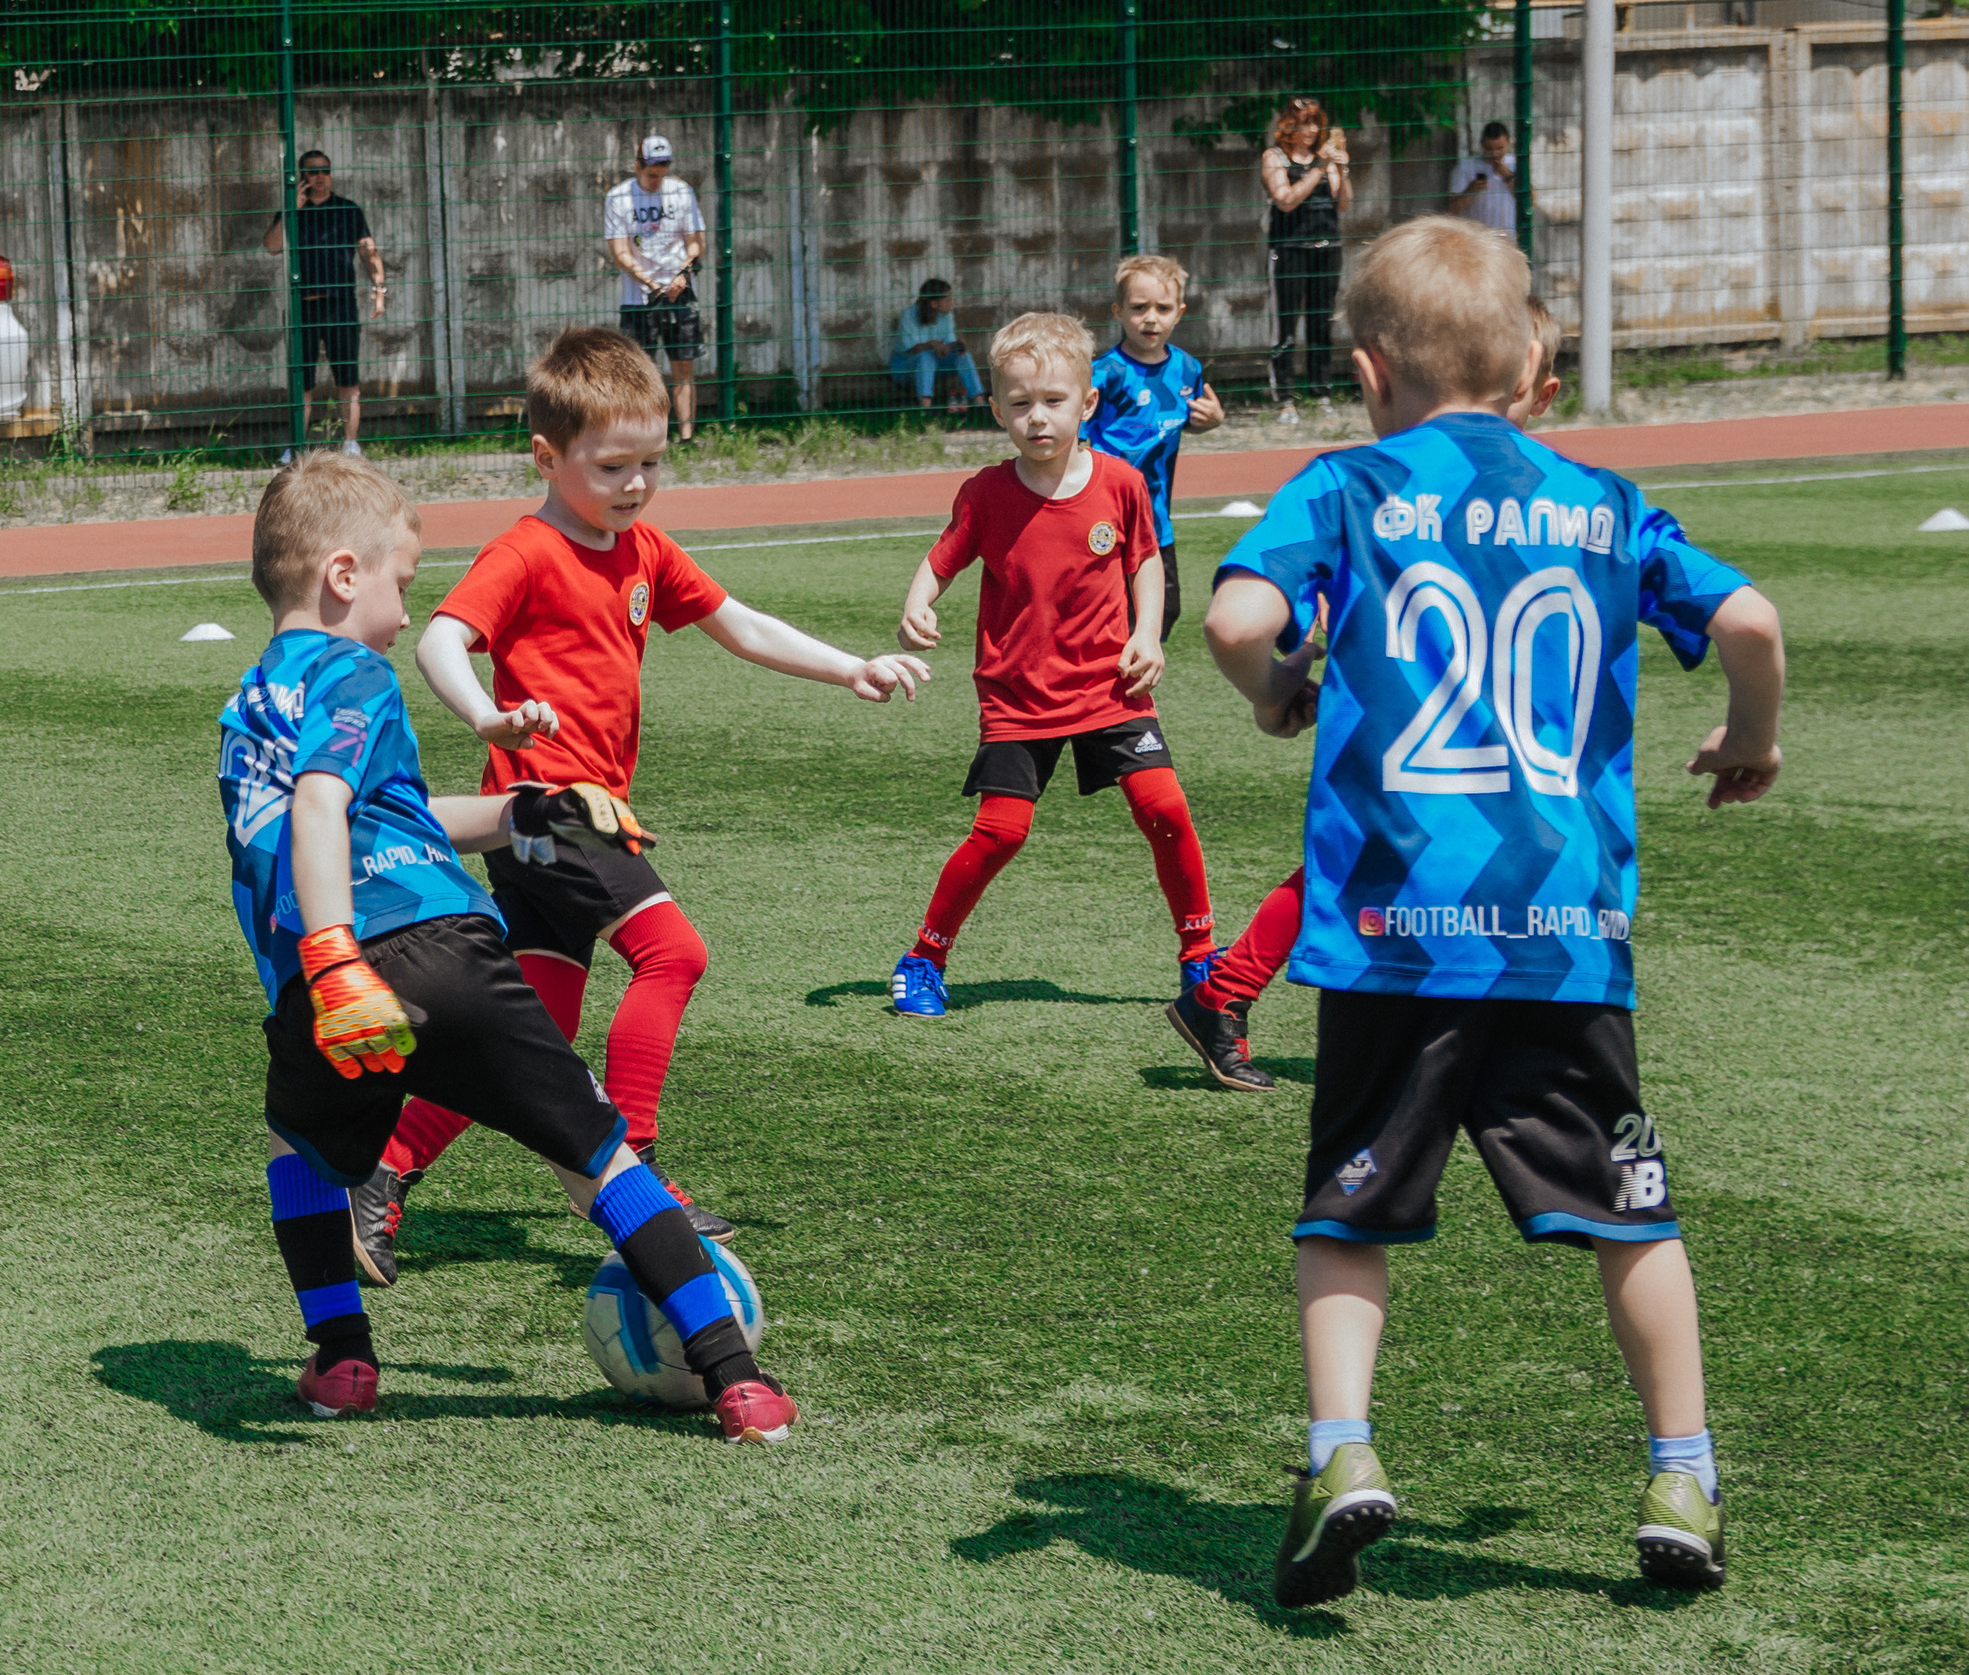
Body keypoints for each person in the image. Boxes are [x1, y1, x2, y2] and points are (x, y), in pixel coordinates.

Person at [1201, 215, 1783, 1606]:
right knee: (1631, 1212)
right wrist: (1750, 733)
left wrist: (1278, 682)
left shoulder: (1345, 487)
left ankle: (1343, 1450)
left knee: (1349, 1214)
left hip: (1393, 933)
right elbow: (1751, 618)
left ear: (1364, 370)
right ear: (1538, 362)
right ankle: (1682, 1471)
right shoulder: (1603, 502)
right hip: (1563, 935)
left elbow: (1232, 621)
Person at [214, 450, 798, 1442]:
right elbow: (322, 805)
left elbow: (382, 813)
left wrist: (531, 812)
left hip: (323, 1001)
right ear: (342, 577)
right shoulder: (352, 669)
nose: (406, 614)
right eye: (401, 585)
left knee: (301, 1150)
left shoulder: (249, 706)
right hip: (430, 951)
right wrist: (335, 951)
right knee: (597, 1160)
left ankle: (343, 1360)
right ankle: (736, 1380)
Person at [347, 328, 928, 1275]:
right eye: (612, 465)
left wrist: (850, 666)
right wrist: (487, 715)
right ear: (548, 456)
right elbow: (439, 640)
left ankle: (379, 1173)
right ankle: (640, 1173)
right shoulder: (528, 552)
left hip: (579, 817)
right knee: (675, 952)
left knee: (537, 1026)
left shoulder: (645, 549)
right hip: (551, 809)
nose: (635, 484)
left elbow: (736, 624)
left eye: (652, 462)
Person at [1164, 295, 1564, 1096]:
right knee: (1398, 858)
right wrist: (1294, 666)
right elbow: (1254, 615)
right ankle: (1229, 995)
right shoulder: (1384, 489)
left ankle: (1225, 994)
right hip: (1411, 726)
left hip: (1448, 729)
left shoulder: (1528, 498)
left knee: (1386, 862)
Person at [887, 312, 1218, 1019]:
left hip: (1109, 684)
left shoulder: (1121, 483)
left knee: (1164, 808)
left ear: (1088, 403)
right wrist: (918, 602)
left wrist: (1148, 635)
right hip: (1018, 694)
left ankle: (1201, 958)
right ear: (997, 408)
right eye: (1020, 404)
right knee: (1001, 830)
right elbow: (942, 557)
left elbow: (1146, 562)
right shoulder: (984, 493)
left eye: (1054, 401)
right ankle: (924, 955)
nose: (1038, 418)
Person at [1085, 254, 1225, 645]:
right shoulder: (1104, 373)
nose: (1151, 318)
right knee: (1107, 606)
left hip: (1156, 517)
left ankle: (1129, 672)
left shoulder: (1188, 370)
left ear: (1179, 313)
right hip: (1105, 512)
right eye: (1139, 307)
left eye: (1162, 308)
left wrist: (1209, 421)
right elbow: (1076, 433)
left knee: (1165, 608)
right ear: (1118, 311)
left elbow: (1190, 420)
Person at [262, 150, 385, 458]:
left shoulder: (347, 210)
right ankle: (297, 448)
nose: (320, 177)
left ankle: (350, 445)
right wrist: (293, 209)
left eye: (324, 171)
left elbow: (368, 250)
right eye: (312, 172)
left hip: (340, 306)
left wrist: (379, 287)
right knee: (302, 381)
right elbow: (272, 247)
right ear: (302, 178)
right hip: (304, 307)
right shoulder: (293, 211)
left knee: (347, 379)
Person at [604, 135, 707, 440]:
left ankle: (686, 437)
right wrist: (650, 282)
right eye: (651, 175)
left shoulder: (681, 192)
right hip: (640, 299)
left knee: (683, 367)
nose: (656, 181)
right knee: (638, 373)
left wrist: (682, 276)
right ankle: (644, 438)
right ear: (637, 166)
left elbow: (696, 243)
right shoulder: (618, 198)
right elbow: (620, 253)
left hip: (679, 293)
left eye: (661, 175)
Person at [1260, 98, 1351, 425]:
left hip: (1327, 247)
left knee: (1321, 321)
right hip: (1290, 249)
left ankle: (1321, 392)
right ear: (1290, 125)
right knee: (1286, 324)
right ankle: (1285, 398)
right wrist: (1317, 169)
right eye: (1304, 122)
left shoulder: (1323, 159)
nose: (1311, 130)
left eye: (1315, 123)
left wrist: (1341, 167)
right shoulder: (1275, 157)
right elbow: (1285, 200)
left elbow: (1343, 204)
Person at [890, 278, 984, 412]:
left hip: (936, 365)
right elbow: (911, 349)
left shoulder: (946, 316)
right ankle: (926, 407)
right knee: (925, 356)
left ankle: (979, 403)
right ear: (934, 303)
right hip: (905, 368)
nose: (951, 303)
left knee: (963, 355)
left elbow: (947, 344)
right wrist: (931, 345)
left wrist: (956, 345)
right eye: (947, 300)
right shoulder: (909, 315)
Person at [1447, 122, 1518, 236]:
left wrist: (1508, 177)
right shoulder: (1466, 167)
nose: (1495, 153)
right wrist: (1470, 190)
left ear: (1509, 143)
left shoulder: (1516, 164)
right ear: (1481, 145)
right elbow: (1452, 209)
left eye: (1500, 148)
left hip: (1509, 238)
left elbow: (1531, 200)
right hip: (1478, 239)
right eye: (1490, 149)